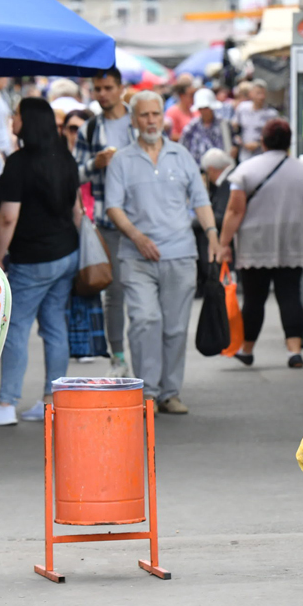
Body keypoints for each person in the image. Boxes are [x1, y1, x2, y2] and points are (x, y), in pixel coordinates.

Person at [0, 97, 82, 426]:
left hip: (33, 259)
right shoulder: (65, 158)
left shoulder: (19, 163)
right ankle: (51, 401)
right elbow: (76, 212)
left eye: (16, 114)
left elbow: (7, 218)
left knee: (15, 327)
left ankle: (6, 403)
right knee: (54, 327)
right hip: (66, 253)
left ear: (27, 121)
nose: (12, 120)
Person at [105, 90, 219, 415]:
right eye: (144, 115)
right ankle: (147, 392)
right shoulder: (121, 160)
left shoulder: (182, 156)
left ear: (163, 118)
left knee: (175, 327)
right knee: (144, 320)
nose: (151, 120)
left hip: (180, 254)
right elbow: (112, 206)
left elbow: (200, 200)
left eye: (155, 114)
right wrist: (136, 236)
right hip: (136, 255)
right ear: (134, 119)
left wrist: (212, 234)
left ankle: (170, 392)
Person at [217, 119, 303, 368]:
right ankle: (294, 351)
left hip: (254, 243)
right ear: (289, 142)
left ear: (263, 141)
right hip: (293, 242)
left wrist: (223, 243)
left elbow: (234, 211)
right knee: (290, 294)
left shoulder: (245, 171)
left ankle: (247, 350)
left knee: (254, 298)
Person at [76, 67, 135, 378]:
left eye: (108, 88)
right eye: (97, 89)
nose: (102, 94)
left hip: (142, 218)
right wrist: (94, 164)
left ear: (120, 88)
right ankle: (119, 357)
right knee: (113, 293)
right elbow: (75, 173)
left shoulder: (138, 122)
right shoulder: (89, 129)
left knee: (140, 291)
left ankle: (142, 359)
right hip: (106, 220)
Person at [196, 148, 235, 284]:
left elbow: (221, 216)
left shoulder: (228, 182)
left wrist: (196, 222)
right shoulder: (231, 178)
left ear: (211, 169)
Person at [179, 88, 232, 164]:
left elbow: (230, 147)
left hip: (219, 168)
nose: (204, 111)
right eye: (201, 109)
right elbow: (183, 147)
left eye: (206, 108)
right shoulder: (191, 127)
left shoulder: (224, 125)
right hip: (197, 169)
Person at [232, 79, 278, 158]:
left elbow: (275, 136)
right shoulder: (242, 108)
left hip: (263, 156)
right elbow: (236, 128)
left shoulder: (271, 114)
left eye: (263, 93)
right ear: (251, 94)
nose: (261, 97)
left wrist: (259, 144)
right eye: (258, 93)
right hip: (244, 155)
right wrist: (241, 142)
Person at [165, 78, 198, 142]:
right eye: (191, 95)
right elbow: (171, 135)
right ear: (182, 96)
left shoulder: (195, 110)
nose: (193, 98)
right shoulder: (172, 112)